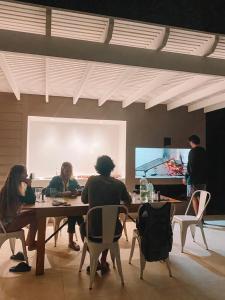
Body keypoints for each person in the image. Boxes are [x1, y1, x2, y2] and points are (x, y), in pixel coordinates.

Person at [81, 155, 131, 274]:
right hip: (115, 232)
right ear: (111, 168)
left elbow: (84, 200)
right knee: (108, 226)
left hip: (94, 232)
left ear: (97, 168)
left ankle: (96, 260)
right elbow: (128, 201)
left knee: (83, 227)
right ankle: (103, 260)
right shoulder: (119, 184)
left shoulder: (91, 180)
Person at [45, 162, 83, 251]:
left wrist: (77, 192)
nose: (69, 173)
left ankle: (76, 240)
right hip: (58, 208)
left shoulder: (72, 180)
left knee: (75, 214)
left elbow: (80, 189)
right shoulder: (56, 179)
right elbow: (47, 192)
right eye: (67, 171)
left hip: (69, 207)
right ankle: (82, 240)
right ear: (62, 170)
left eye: (70, 171)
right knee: (76, 215)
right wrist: (63, 194)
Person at [0, 165, 38, 251]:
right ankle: (30, 243)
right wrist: (29, 185)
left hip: (5, 222)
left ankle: (29, 241)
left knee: (34, 214)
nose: (27, 175)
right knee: (36, 217)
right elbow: (31, 200)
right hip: (6, 226)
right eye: (25, 173)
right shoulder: (13, 190)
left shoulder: (9, 187)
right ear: (19, 175)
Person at [184, 135, 207, 215]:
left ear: (191, 142)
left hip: (193, 179)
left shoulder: (192, 151)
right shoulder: (203, 151)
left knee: (194, 198)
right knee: (201, 199)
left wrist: (186, 177)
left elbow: (190, 167)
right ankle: (201, 217)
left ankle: (198, 218)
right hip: (203, 179)